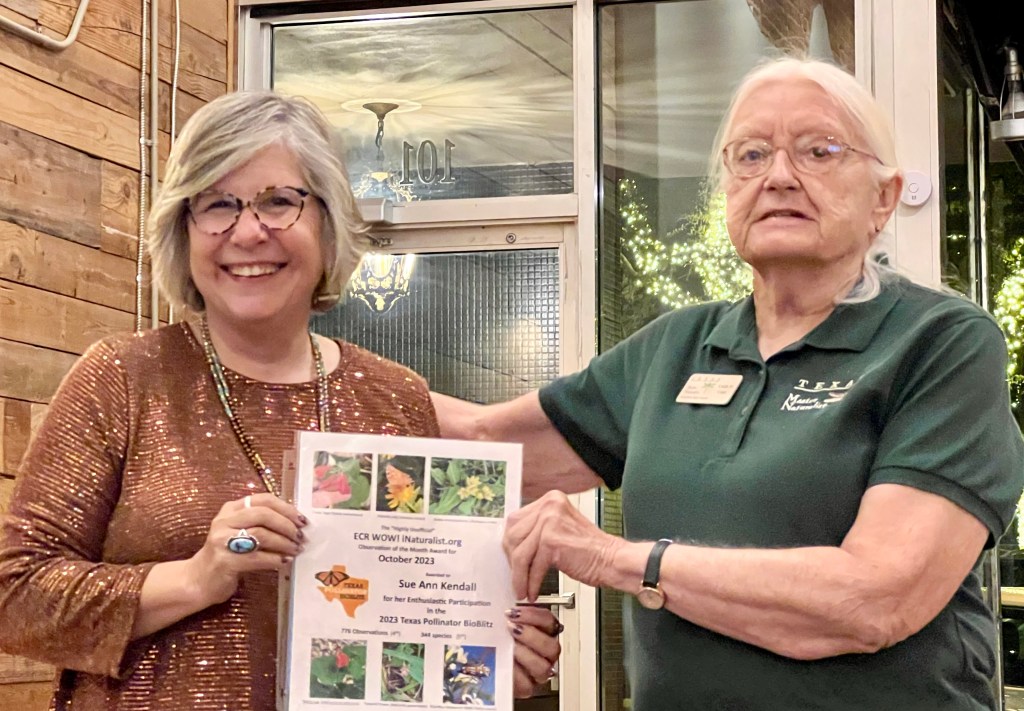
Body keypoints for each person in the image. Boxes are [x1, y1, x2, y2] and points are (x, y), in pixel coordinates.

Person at [434, 57, 1024, 710]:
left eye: (818, 151)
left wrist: (616, 559)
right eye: (751, 155)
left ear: (883, 198)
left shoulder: (939, 342)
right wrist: (337, 365)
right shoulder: (677, 346)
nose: (778, 176)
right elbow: (482, 444)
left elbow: (875, 599)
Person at [0, 91, 559, 710]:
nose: (247, 231)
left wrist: (481, 661)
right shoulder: (123, 379)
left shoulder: (396, 399)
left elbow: (412, 631)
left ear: (327, 221)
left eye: (278, 202)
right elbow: (15, 597)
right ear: (184, 230)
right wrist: (195, 578)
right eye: (217, 204)